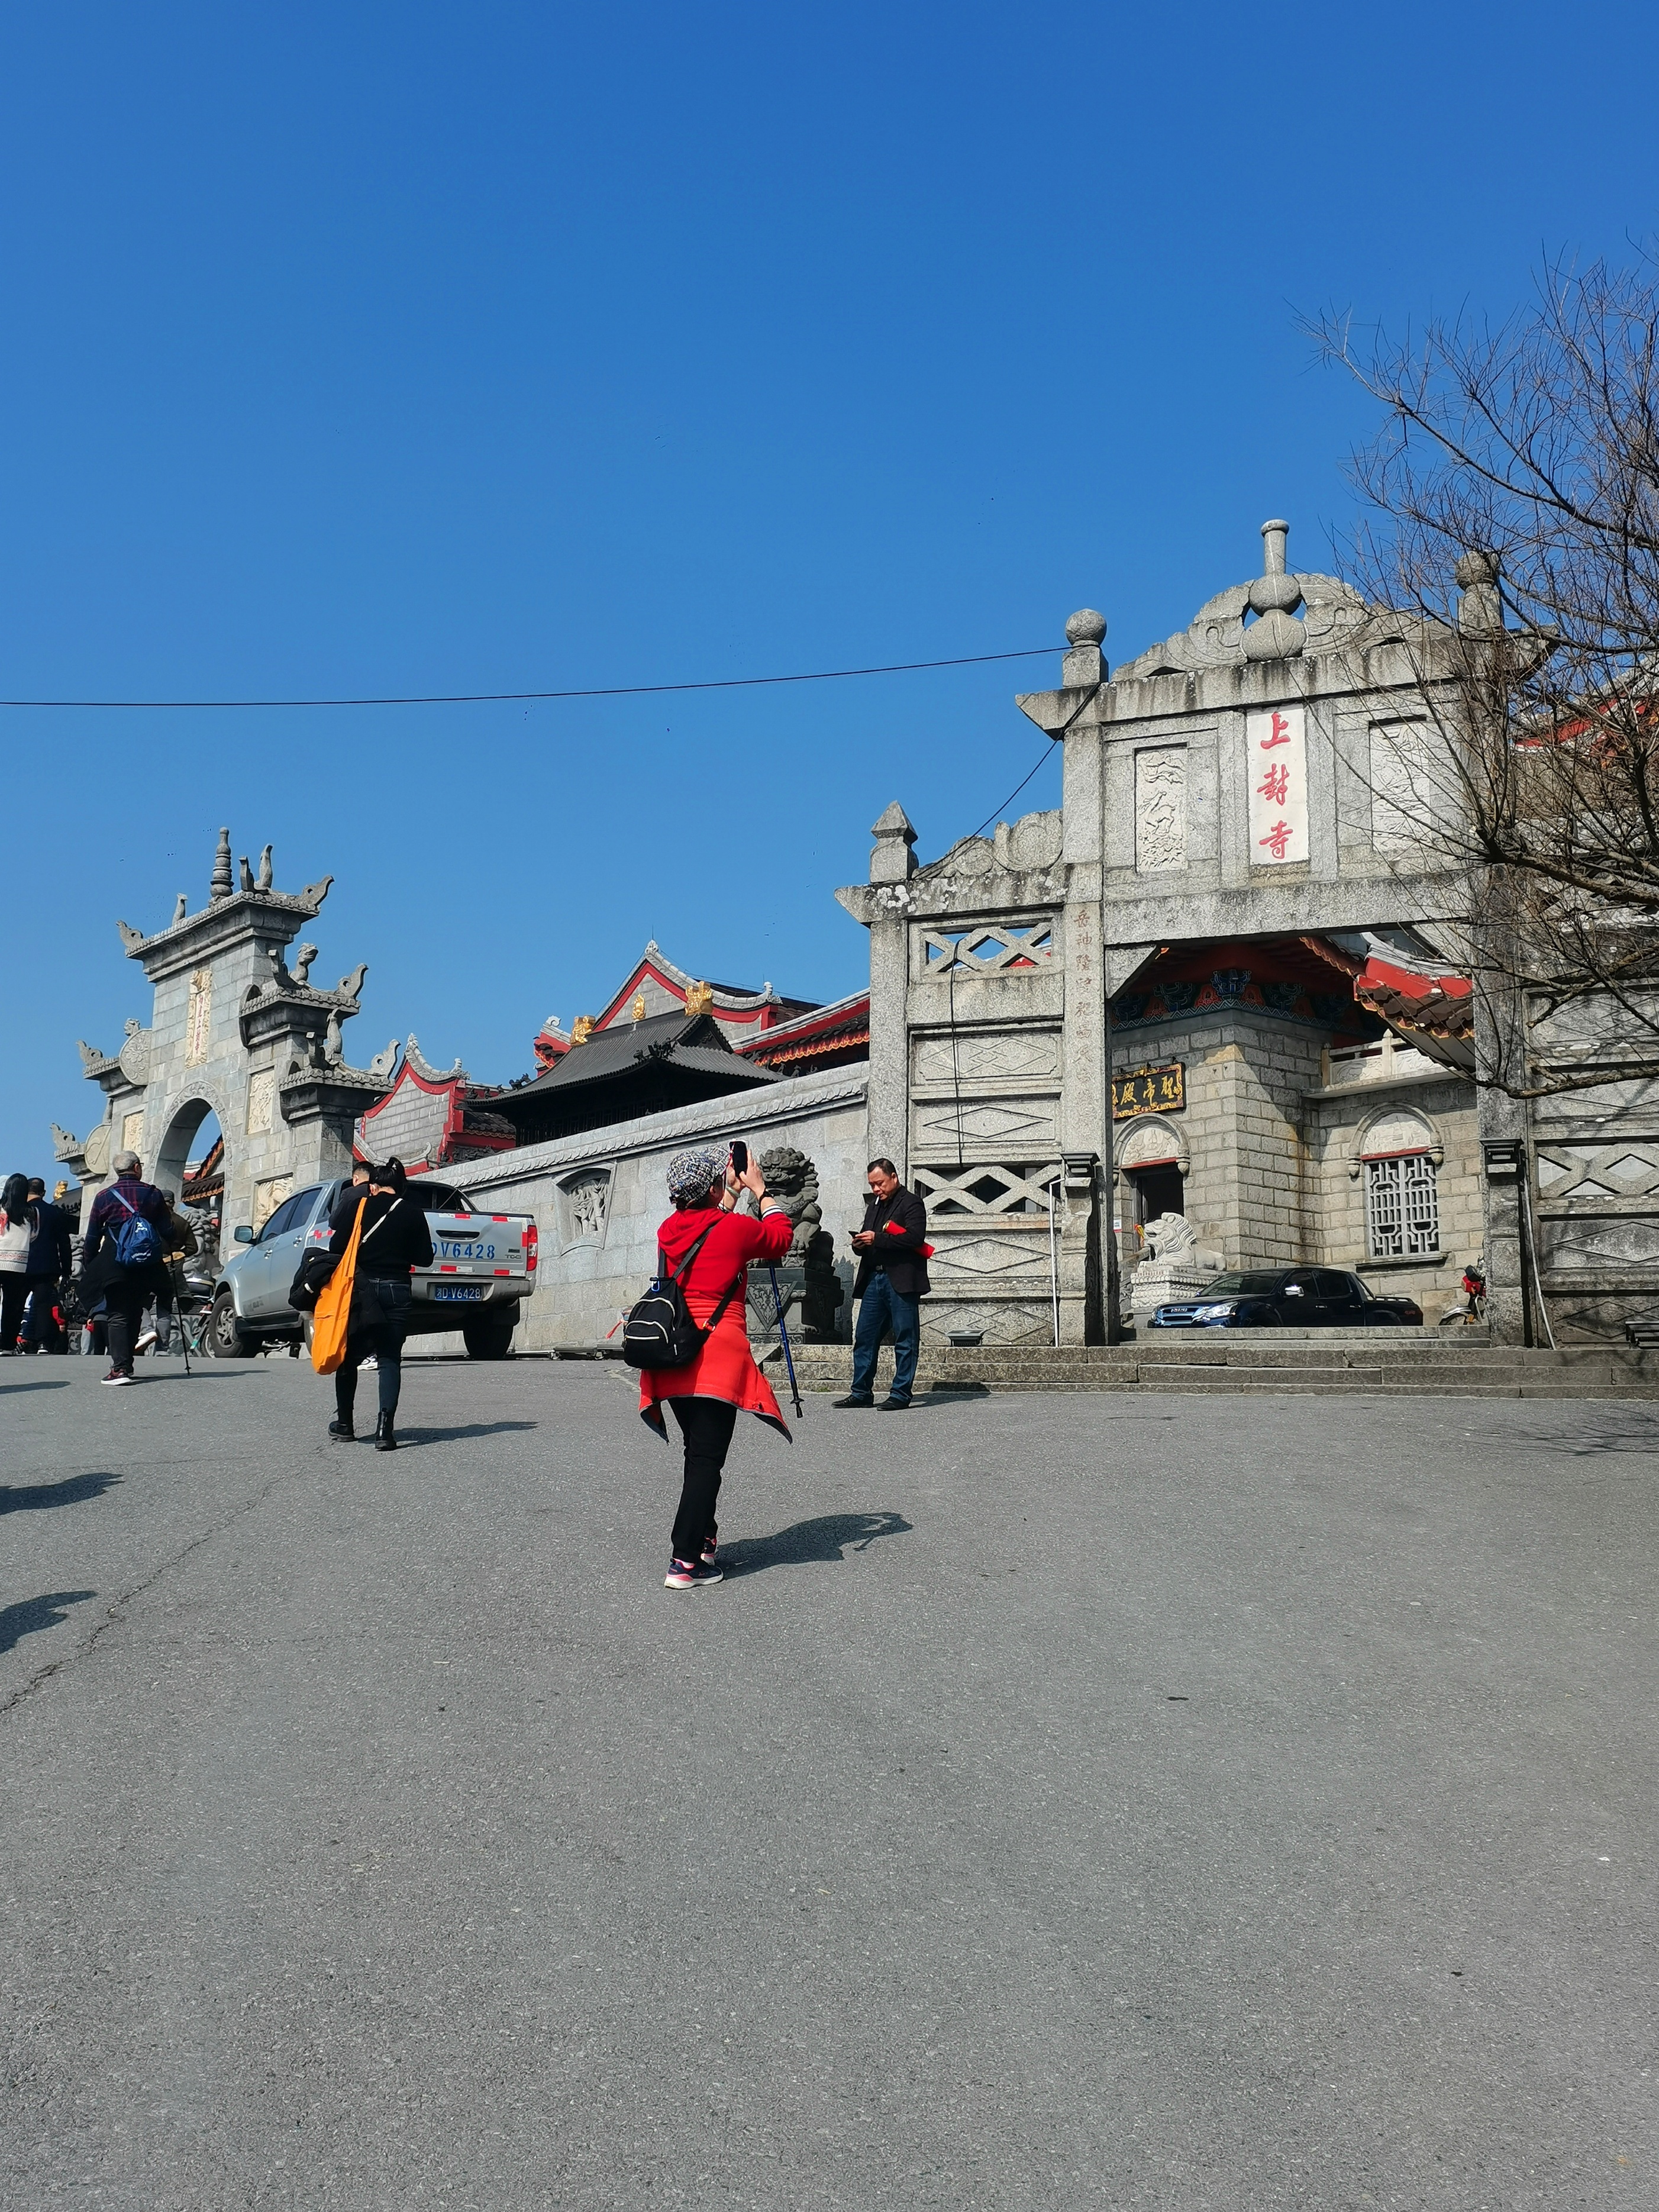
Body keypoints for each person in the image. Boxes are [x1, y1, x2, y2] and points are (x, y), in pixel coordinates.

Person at [638, 1145, 793, 1589]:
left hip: (674, 1353)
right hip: (717, 1355)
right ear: (711, 1186)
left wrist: (727, 1194)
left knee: (697, 1452)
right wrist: (761, 1192)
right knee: (706, 1460)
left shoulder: (669, 1228)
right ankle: (685, 1561)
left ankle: (704, 1537)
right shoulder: (739, 1229)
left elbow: (706, 1231)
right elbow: (781, 1238)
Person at [325, 1156, 432, 1449]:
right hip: (398, 1289)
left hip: (362, 1292)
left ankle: (345, 1424)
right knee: (389, 1359)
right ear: (399, 1188)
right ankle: (385, 1430)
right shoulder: (412, 1212)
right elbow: (425, 1259)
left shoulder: (360, 1208)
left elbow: (336, 1247)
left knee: (349, 1358)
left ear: (373, 1187)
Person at [835, 1157, 931, 1412]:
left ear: (894, 1178)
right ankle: (861, 1392)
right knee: (864, 1337)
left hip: (901, 1279)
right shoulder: (874, 1207)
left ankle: (900, 1393)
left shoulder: (912, 1202)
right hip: (874, 1279)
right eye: (872, 1185)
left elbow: (914, 1238)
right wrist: (860, 1244)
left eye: (879, 1183)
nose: (876, 1189)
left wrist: (878, 1238)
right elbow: (872, 1241)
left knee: (905, 1338)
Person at [79, 1151, 173, 1384]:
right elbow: (168, 1230)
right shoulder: (153, 1194)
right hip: (147, 1263)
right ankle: (126, 1365)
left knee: (118, 1313)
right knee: (134, 1311)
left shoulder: (103, 1197)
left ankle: (119, 1369)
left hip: (115, 1262)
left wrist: (92, 1265)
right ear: (137, 1167)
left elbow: (91, 1238)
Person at [134, 1189, 199, 1356]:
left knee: (140, 1302)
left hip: (151, 1266)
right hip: (173, 1267)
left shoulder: (151, 1221)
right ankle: (162, 1348)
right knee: (165, 1307)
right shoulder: (182, 1222)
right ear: (173, 1202)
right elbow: (194, 1248)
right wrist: (179, 1254)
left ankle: (147, 1330)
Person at [18, 1178, 73, 1353]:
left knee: (16, 1303)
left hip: (19, 1264)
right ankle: (43, 1343)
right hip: (46, 1265)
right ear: (43, 1192)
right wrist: (66, 1268)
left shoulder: (17, 1211)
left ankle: (10, 1340)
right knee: (43, 1304)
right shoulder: (54, 1212)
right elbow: (64, 1243)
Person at [0, 1173, 33, 1352]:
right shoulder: (31, 1213)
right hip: (18, 1264)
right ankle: (7, 1345)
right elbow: (34, 1236)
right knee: (12, 1307)